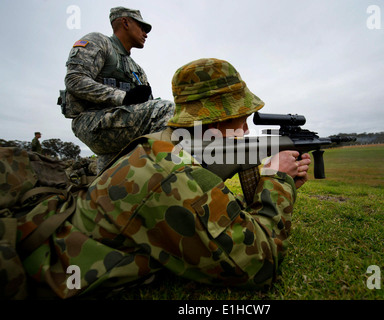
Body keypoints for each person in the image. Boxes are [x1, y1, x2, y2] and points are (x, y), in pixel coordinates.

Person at [20, 58, 310, 298]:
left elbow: (219, 212)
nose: (246, 131)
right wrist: (277, 179)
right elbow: (261, 264)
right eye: (241, 119)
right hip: (42, 270)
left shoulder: (162, 143)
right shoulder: (175, 175)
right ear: (218, 118)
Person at [62, 6, 175, 172]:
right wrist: (123, 97)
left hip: (121, 126)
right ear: (125, 22)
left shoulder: (136, 69)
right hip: (92, 121)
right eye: (142, 28)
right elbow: (74, 80)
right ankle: (166, 174)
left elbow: (147, 107)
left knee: (110, 184)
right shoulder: (99, 42)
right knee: (166, 110)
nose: (146, 34)